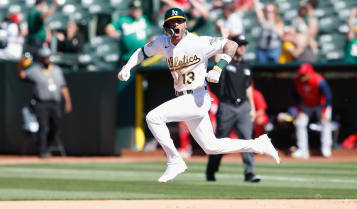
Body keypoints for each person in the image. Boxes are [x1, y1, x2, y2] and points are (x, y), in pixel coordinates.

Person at [117, 7, 280, 183]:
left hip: (197, 97)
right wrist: (127, 67)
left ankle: (174, 160)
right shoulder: (163, 43)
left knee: (153, 117)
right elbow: (142, 52)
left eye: (179, 21)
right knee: (211, 146)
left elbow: (231, 45)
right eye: (172, 22)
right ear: (166, 27)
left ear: (185, 23)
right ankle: (259, 144)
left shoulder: (198, 42)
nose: (176, 24)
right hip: (184, 98)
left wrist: (218, 68)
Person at [206, 35, 260, 183]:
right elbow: (217, 59)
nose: (242, 47)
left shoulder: (247, 66)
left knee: (247, 139)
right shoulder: (225, 62)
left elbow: (249, 88)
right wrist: (223, 38)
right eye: (239, 44)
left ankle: (249, 173)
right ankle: (211, 171)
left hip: (243, 106)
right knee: (220, 141)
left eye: (244, 45)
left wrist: (253, 108)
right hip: (227, 106)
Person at [17, 46, 72, 158]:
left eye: (47, 57)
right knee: (43, 126)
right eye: (44, 57)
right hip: (41, 103)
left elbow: (63, 87)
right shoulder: (35, 70)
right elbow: (22, 75)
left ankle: (46, 147)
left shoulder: (56, 70)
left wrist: (68, 101)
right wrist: (19, 64)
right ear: (40, 58)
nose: (46, 59)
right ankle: (42, 151)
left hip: (55, 103)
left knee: (56, 127)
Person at [291, 63, 332, 159]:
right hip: (306, 104)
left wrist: (324, 110)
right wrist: (298, 109)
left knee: (325, 123)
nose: (301, 76)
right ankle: (302, 149)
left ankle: (326, 149)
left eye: (304, 74)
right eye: (300, 74)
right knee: (300, 123)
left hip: (321, 104)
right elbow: (294, 96)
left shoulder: (318, 80)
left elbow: (328, 96)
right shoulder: (296, 81)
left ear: (310, 73)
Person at [105, 0, 151, 66]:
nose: (136, 11)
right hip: (127, 57)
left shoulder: (145, 19)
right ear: (130, 10)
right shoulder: (123, 19)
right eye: (134, 9)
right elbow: (109, 28)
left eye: (138, 9)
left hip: (144, 57)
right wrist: (115, 35)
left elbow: (150, 34)